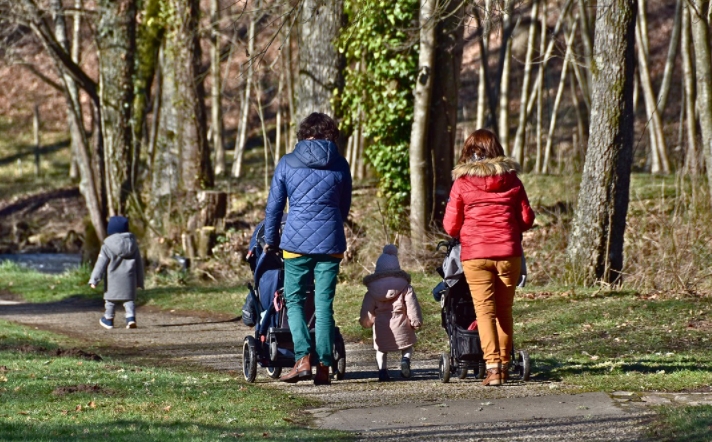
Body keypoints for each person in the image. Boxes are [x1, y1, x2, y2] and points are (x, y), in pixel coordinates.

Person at [263, 112, 352, 385]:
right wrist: (333, 226)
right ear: (330, 135)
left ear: (303, 134)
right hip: (330, 243)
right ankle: (324, 365)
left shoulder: (288, 162)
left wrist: (270, 240)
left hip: (296, 245)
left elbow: (275, 207)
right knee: (324, 305)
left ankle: (302, 359)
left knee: (295, 301)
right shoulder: (340, 163)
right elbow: (344, 206)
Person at [443, 129, 535, 386]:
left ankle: (493, 368)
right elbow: (527, 219)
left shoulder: (462, 183)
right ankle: (505, 366)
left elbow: (450, 226)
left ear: (468, 151)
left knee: (484, 311)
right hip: (508, 254)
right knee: (504, 311)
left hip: (476, 256)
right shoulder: (513, 180)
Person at [360, 244, 423, 382]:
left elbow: (367, 309)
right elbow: (412, 305)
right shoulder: (405, 287)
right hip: (402, 323)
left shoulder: (372, 291)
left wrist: (366, 322)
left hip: (382, 326)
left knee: (381, 350)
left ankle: (382, 371)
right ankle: (405, 360)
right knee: (407, 347)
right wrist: (415, 321)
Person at [89, 216, 145, 330]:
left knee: (110, 301)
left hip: (112, 281)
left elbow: (100, 264)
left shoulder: (107, 246)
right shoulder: (133, 245)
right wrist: (140, 282)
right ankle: (131, 319)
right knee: (129, 300)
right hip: (129, 279)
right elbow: (139, 265)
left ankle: (108, 319)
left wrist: (94, 280)